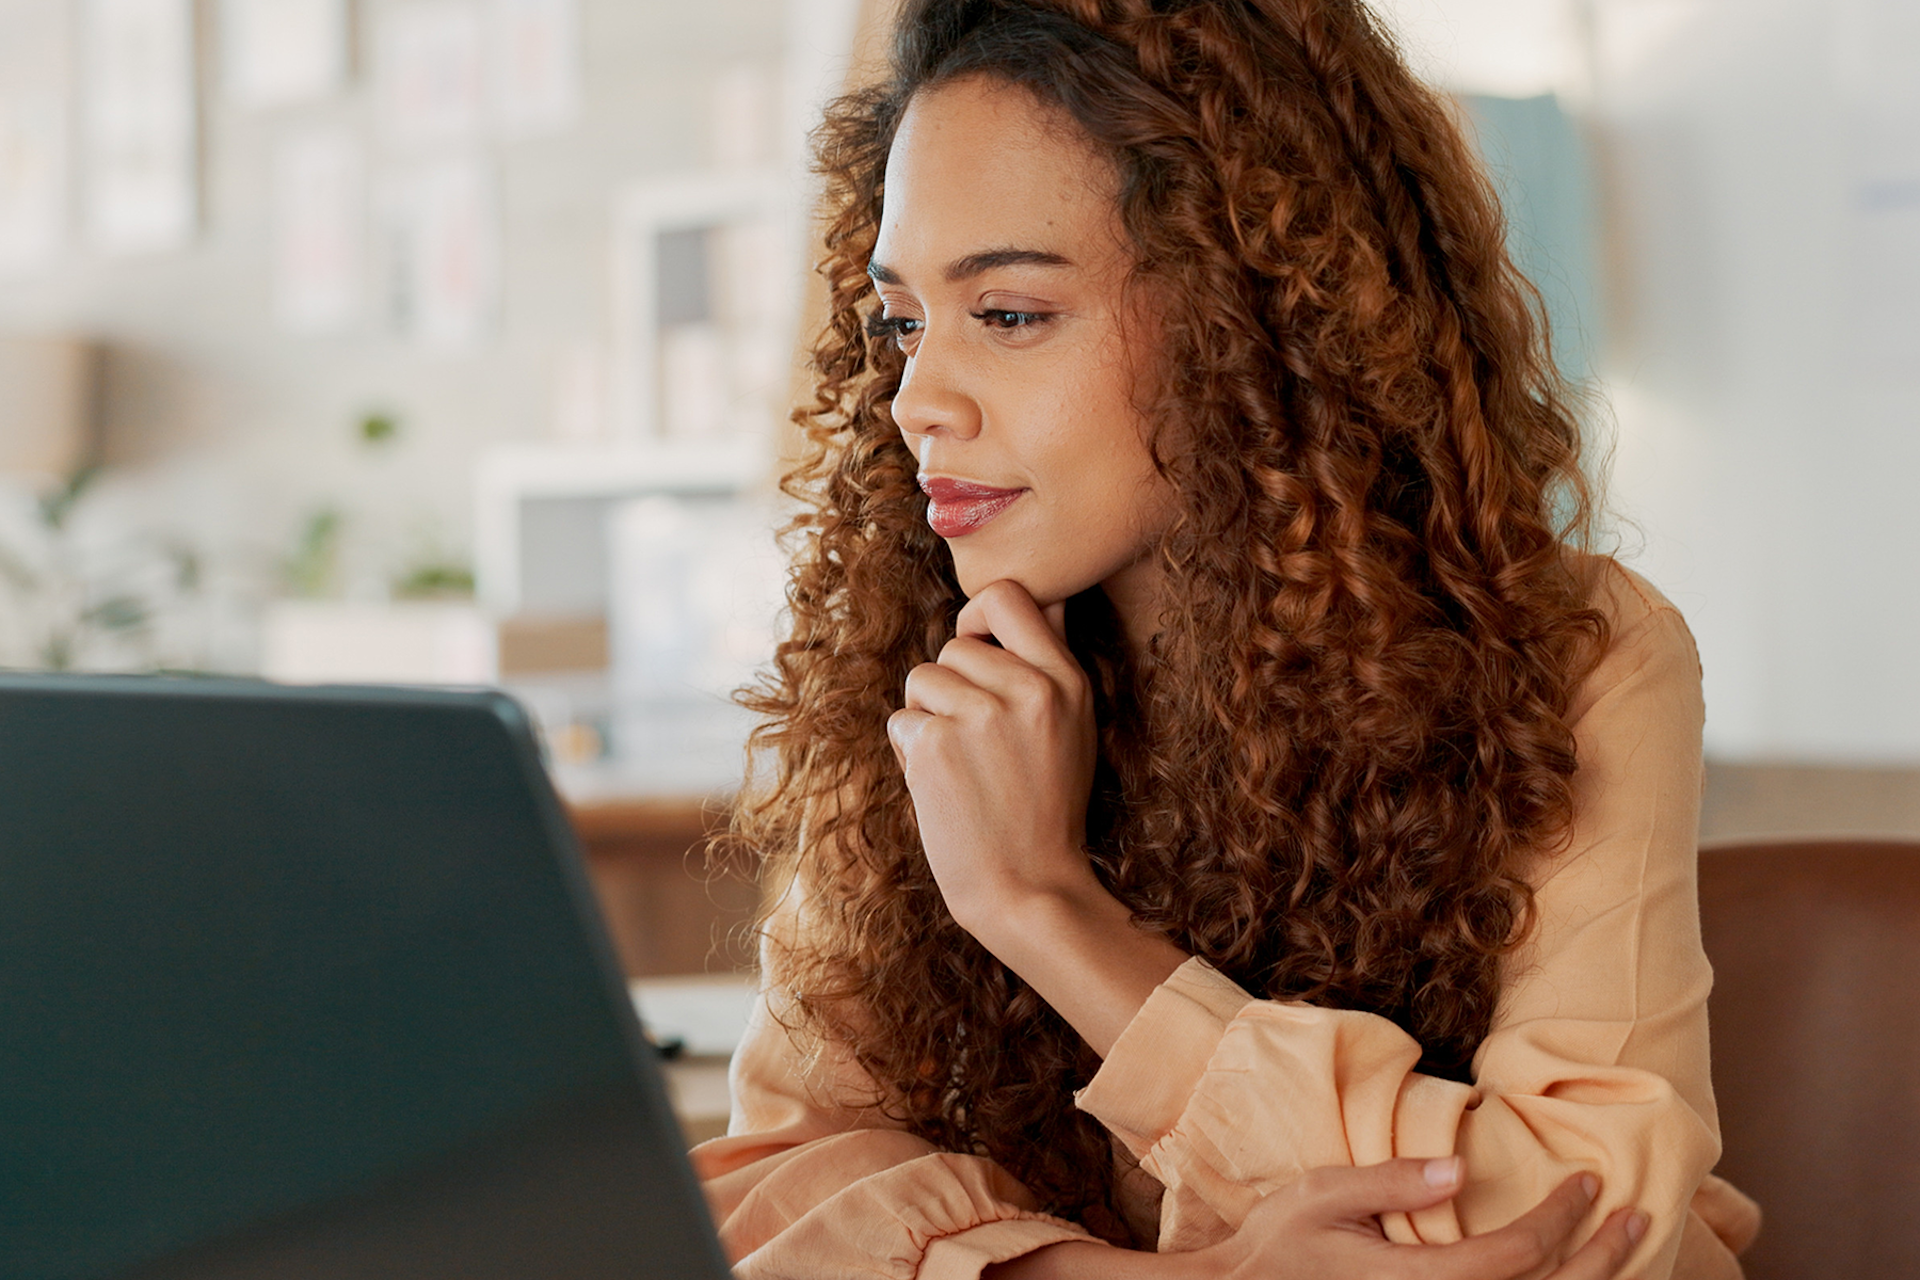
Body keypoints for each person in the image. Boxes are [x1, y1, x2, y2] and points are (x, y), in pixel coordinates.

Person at [694, 0, 1763, 1277]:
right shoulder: (927, 674)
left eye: (1013, 314)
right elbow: (774, 1186)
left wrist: (1047, 909)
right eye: (904, 322)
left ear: (1247, 314)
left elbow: (1586, 1226)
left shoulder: (1569, 652)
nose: (919, 398)